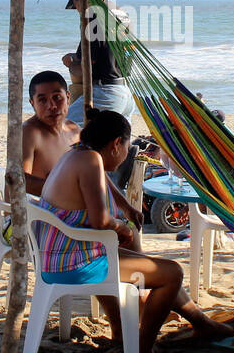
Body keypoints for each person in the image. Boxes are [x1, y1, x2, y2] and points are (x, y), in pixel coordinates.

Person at [36, 109, 234, 353]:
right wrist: (122, 228)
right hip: (74, 263)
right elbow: (100, 221)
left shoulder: (78, 152)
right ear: (116, 143)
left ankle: (196, 323)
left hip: (58, 255)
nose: (126, 153)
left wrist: (126, 206)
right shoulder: (91, 160)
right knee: (171, 274)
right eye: (127, 146)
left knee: (154, 266)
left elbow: (102, 181)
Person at [21, 70, 143, 247]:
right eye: (42, 100)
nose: (52, 106)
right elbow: (20, 181)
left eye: (57, 97)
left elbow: (97, 172)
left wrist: (126, 206)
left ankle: (126, 269)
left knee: (129, 230)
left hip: (70, 211)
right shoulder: (29, 133)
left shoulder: (73, 130)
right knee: (115, 228)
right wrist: (69, 189)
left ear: (68, 97)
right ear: (32, 103)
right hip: (42, 216)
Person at [62, 0, 136, 125]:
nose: (77, 9)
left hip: (104, 94)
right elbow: (107, 51)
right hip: (125, 92)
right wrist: (76, 55)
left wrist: (72, 62)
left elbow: (88, 62)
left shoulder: (93, 15)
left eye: (75, 3)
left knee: (63, 129)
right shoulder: (120, 12)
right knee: (114, 144)